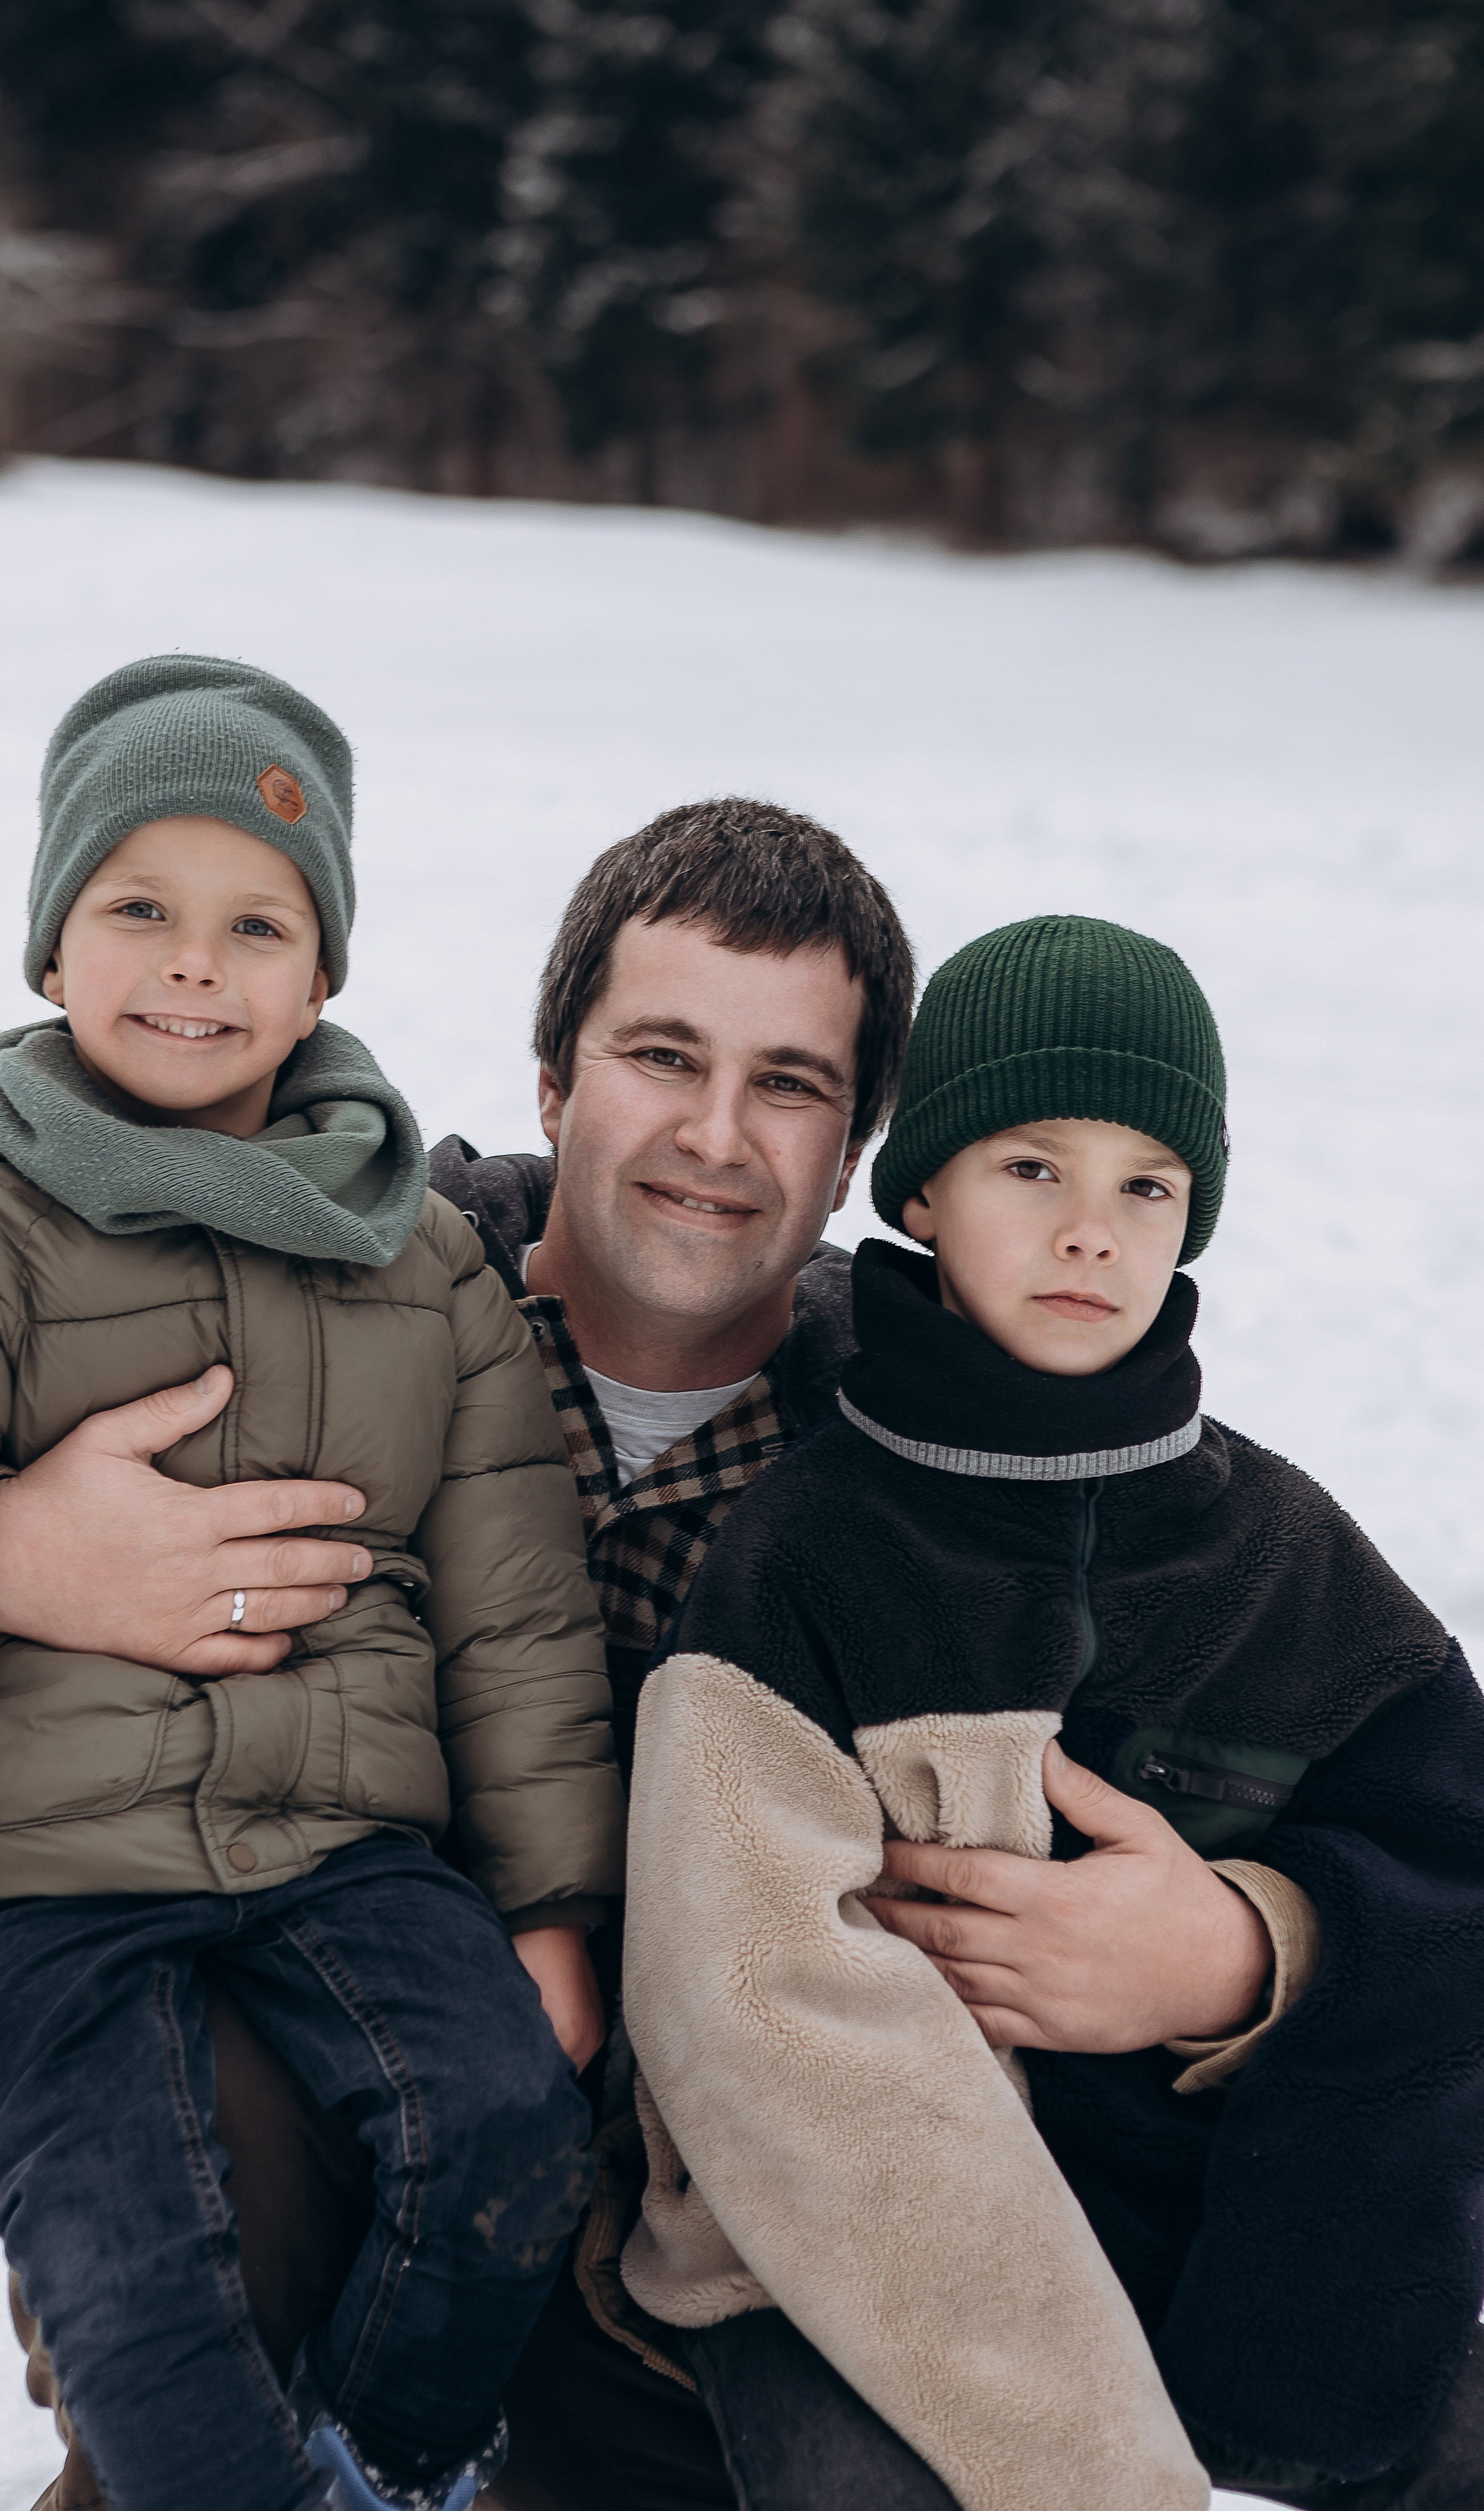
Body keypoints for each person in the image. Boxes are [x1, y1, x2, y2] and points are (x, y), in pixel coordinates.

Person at [0, 811, 1342, 2511]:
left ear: (864, 1146)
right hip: (285, 2153)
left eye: (791, 1084)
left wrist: (1246, 1952)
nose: (718, 1137)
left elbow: (1386, 1808)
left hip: (701, 2235)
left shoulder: (976, 1447)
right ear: (551, 1076)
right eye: (664, 1056)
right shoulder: (295, 1311)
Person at [0, 655, 626, 2511]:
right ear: (51, 951)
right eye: (140, 909)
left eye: (257, 923)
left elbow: (514, 1617)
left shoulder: (420, 1268)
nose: (196, 962)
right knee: (143, 2297)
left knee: (504, 2134)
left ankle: (373, 2474)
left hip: (345, 1854)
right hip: (39, 1884)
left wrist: (558, 1903)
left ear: (324, 975)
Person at [623, 914, 1484, 2511]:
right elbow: (761, 2017)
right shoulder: (806, 1552)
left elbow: (1458, 1880)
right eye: (1031, 1168)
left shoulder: (1283, 1554)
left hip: (1216, 2223)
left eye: (1144, 1186)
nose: (1091, 1231)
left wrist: (1252, 1949)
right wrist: (1089, 2471)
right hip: (844, 2255)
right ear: (922, 1191)